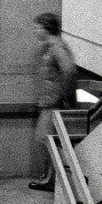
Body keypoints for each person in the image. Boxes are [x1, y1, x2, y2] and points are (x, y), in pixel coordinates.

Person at [29, 13, 78, 192]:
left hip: (54, 102)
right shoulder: (50, 47)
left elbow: (69, 71)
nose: (35, 31)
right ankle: (49, 176)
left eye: (37, 27)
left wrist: (66, 98)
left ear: (46, 28)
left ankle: (51, 180)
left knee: (46, 139)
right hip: (49, 101)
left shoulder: (56, 47)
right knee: (46, 139)